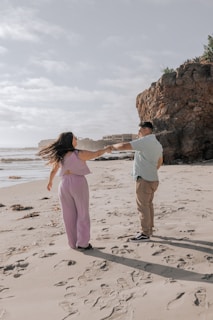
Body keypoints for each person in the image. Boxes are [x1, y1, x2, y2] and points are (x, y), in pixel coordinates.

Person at [38, 132, 112, 250]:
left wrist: (50, 182)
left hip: (63, 185)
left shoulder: (60, 156)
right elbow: (96, 153)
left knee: (68, 215)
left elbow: (53, 171)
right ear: (70, 141)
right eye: (75, 138)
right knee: (82, 213)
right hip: (78, 183)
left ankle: (72, 243)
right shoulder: (78, 154)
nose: (77, 139)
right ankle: (83, 243)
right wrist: (106, 149)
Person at [112, 121, 163, 242]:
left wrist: (111, 147)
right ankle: (149, 229)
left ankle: (145, 233)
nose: (138, 133)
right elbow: (160, 161)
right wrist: (150, 170)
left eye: (139, 130)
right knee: (148, 205)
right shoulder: (157, 143)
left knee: (143, 206)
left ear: (146, 130)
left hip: (144, 179)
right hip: (153, 178)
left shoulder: (145, 141)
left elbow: (125, 146)